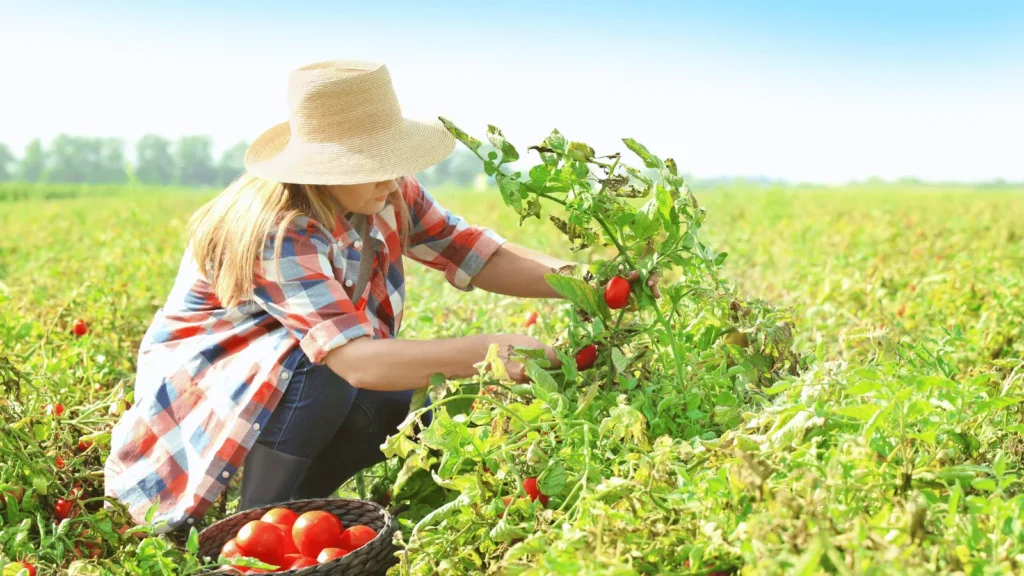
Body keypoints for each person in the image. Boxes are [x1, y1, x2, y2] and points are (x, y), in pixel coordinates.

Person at [103, 59, 658, 532]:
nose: (394, 181)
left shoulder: (385, 190)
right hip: (209, 384)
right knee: (330, 373)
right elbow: (358, 361)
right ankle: (250, 534)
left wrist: (584, 283)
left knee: (391, 401)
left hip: (293, 372)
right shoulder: (281, 227)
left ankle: (301, 515)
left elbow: (473, 252)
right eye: (372, 165)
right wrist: (488, 351)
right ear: (321, 168)